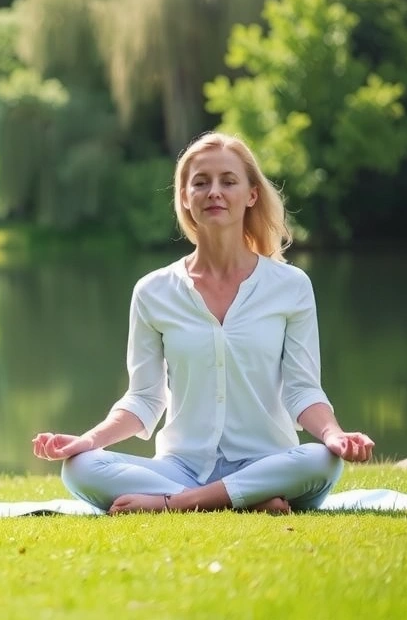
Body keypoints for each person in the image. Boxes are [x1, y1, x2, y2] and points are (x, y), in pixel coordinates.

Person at [32, 131, 374, 514]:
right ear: (184, 197)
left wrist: (334, 435)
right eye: (201, 182)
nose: (214, 192)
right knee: (80, 469)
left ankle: (180, 504)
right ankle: (246, 501)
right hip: (181, 468)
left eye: (228, 181)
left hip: (268, 463)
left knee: (320, 460)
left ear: (251, 195)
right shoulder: (153, 291)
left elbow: (301, 390)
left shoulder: (290, 286)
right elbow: (145, 398)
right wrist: (88, 440)